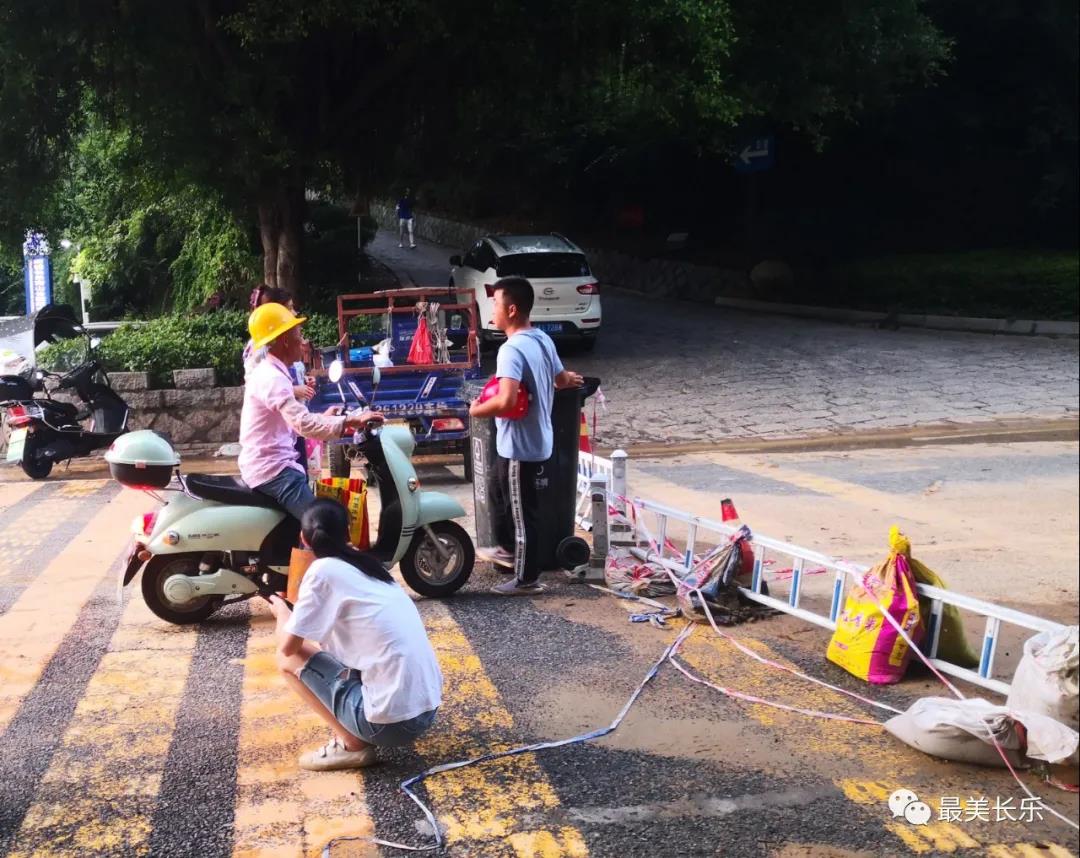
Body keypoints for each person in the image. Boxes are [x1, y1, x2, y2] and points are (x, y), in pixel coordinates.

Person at [268, 500, 442, 771]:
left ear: (303, 539)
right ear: (348, 532)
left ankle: (351, 745)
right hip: (426, 711)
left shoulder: (322, 571)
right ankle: (359, 727)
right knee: (317, 653)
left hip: (391, 727)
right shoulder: (370, 566)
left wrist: (281, 611)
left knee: (286, 660)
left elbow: (289, 647)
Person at [468, 277, 583, 596]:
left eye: (496, 303)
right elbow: (561, 381)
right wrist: (570, 378)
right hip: (526, 441)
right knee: (496, 487)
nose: (493, 308)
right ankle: (506, 548)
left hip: (522, 446)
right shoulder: (542, 339)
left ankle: (526, 578)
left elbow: (506, 400)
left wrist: (475, 410)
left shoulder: (511, 350)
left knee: (522, 511)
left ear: (512, 309)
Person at [239, 302, 383, 520]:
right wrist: (350, 421)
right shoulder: (272, 378)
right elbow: (303, 424)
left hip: (271, 466)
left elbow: (293, 422)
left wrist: (325, 418)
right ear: (285, 340)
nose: (303, 341)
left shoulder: (273, 372)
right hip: (274, 472)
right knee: (322, 525)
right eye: (299, 333)